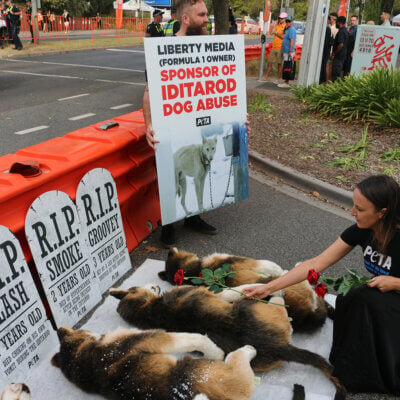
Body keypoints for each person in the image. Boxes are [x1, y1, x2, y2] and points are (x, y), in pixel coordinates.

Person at [243, 174, 400, 395]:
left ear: (382, 213)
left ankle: (383, 369)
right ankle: (357, 366)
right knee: (350, 297)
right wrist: (268, 287)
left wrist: (395, 282)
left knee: (365, 300)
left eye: (360, 209)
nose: (352, 212)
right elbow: (315, 264)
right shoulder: (362, 230)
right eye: (354, 205)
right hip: (382, 295)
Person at [142, 0, 217, 247]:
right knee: (171, 175)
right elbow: (149, 91)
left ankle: (193, 217)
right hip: (171, 126)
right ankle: (169, 226)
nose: (207, 19)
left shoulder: (210, 48)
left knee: (198, 170)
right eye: (202, 14)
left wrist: (238, 118)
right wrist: (149, 125)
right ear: (186, 19)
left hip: (197, 125)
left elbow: (219, 91)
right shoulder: (163, 48)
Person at [263, 12, 287, 83]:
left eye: (282, 18)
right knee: (269, 62)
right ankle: (266, 77)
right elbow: (271, 33)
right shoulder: (277, 24)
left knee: (279, 64)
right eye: (279, 18)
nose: (280, 19)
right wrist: (273, 26)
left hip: (280, 47)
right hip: (274, 47)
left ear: (285, 19)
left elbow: (283, 36)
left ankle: (278, 79)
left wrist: (276, 32)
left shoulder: (285, 26)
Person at [277, 15, 296, 89]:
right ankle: (285, 80)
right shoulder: (287, 29)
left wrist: (290, 50)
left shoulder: (292, 30)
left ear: (292, 22)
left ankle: (286, 82)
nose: (287, 23)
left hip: (289, 51)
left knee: (288, 66)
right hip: (285, 50)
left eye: (289, 21)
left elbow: (292, 40)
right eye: (286, 21)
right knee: (286, 65)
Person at [330, 15, 348, 82]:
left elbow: (340, 44)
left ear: (339, 22)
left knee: (335, 74)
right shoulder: (345, 30)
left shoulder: (341, 32)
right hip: (342, 56)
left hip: (338, 57)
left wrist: (334, 53)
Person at [326, 12, 338, 82]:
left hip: (330, 51)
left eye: (330, 18)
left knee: (328, 66)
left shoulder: (333, 28)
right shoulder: (333, 27)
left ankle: (327, 82)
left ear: (333, 19)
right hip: (332, 51)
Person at [319, 17, 332, 83]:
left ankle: (322, 80)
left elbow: (327, 42)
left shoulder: (327, 29)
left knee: (323, 66)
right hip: (324, 51)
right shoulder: (326, 29)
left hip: (325, 51)